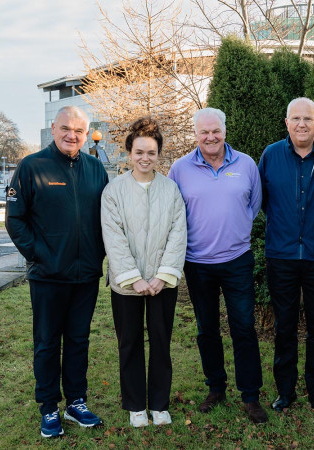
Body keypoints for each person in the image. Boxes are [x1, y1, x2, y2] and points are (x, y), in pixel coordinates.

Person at [5, 106, 108, 438]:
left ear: (85, 133)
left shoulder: (96, 169)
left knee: (78, 341)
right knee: (47, 343)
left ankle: (76, 401)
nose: (72, 135)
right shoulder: (31, 167)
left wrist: (100, 255)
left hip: (86, 275)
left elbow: (107, 219)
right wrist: (38, 255)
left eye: (78, 131)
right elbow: (15, 219)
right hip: (48, 276)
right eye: (65, 128)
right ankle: (49, 406)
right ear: (53, 128)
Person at [168, 108, 268, 424]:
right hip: (197, 264)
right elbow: (173, 212)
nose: (211, 137)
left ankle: (250, 395)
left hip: (237, 261)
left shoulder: (247, 164)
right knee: (206, 329)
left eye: (216, 131)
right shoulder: (180, 169)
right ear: (195, 134)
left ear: (225, 130)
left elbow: (253, 206)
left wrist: (232, 233)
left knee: (243, 327)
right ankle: (216, 388)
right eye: (204, 132)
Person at [258, 97, 314, 414]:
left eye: (308, 119)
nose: (301, 124)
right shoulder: (270, 156)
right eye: (295, 118)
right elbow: (263, 202)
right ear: (286, 123)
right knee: (284, 327)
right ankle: (285, 391)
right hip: (281, 255)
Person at [101, 117, 187, 428]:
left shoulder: (171, 190)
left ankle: (160, 404)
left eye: (151, 152)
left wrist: (162, 277)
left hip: (162, 283)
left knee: (162, 342)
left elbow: (178, 235)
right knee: (130, 343)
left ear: (159, 154)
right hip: (127, 286)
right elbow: (114, 236)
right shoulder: (114, 191)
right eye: (139, 152)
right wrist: (134, 278)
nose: (145, 158)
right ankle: (136, 405)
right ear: (129, 153)